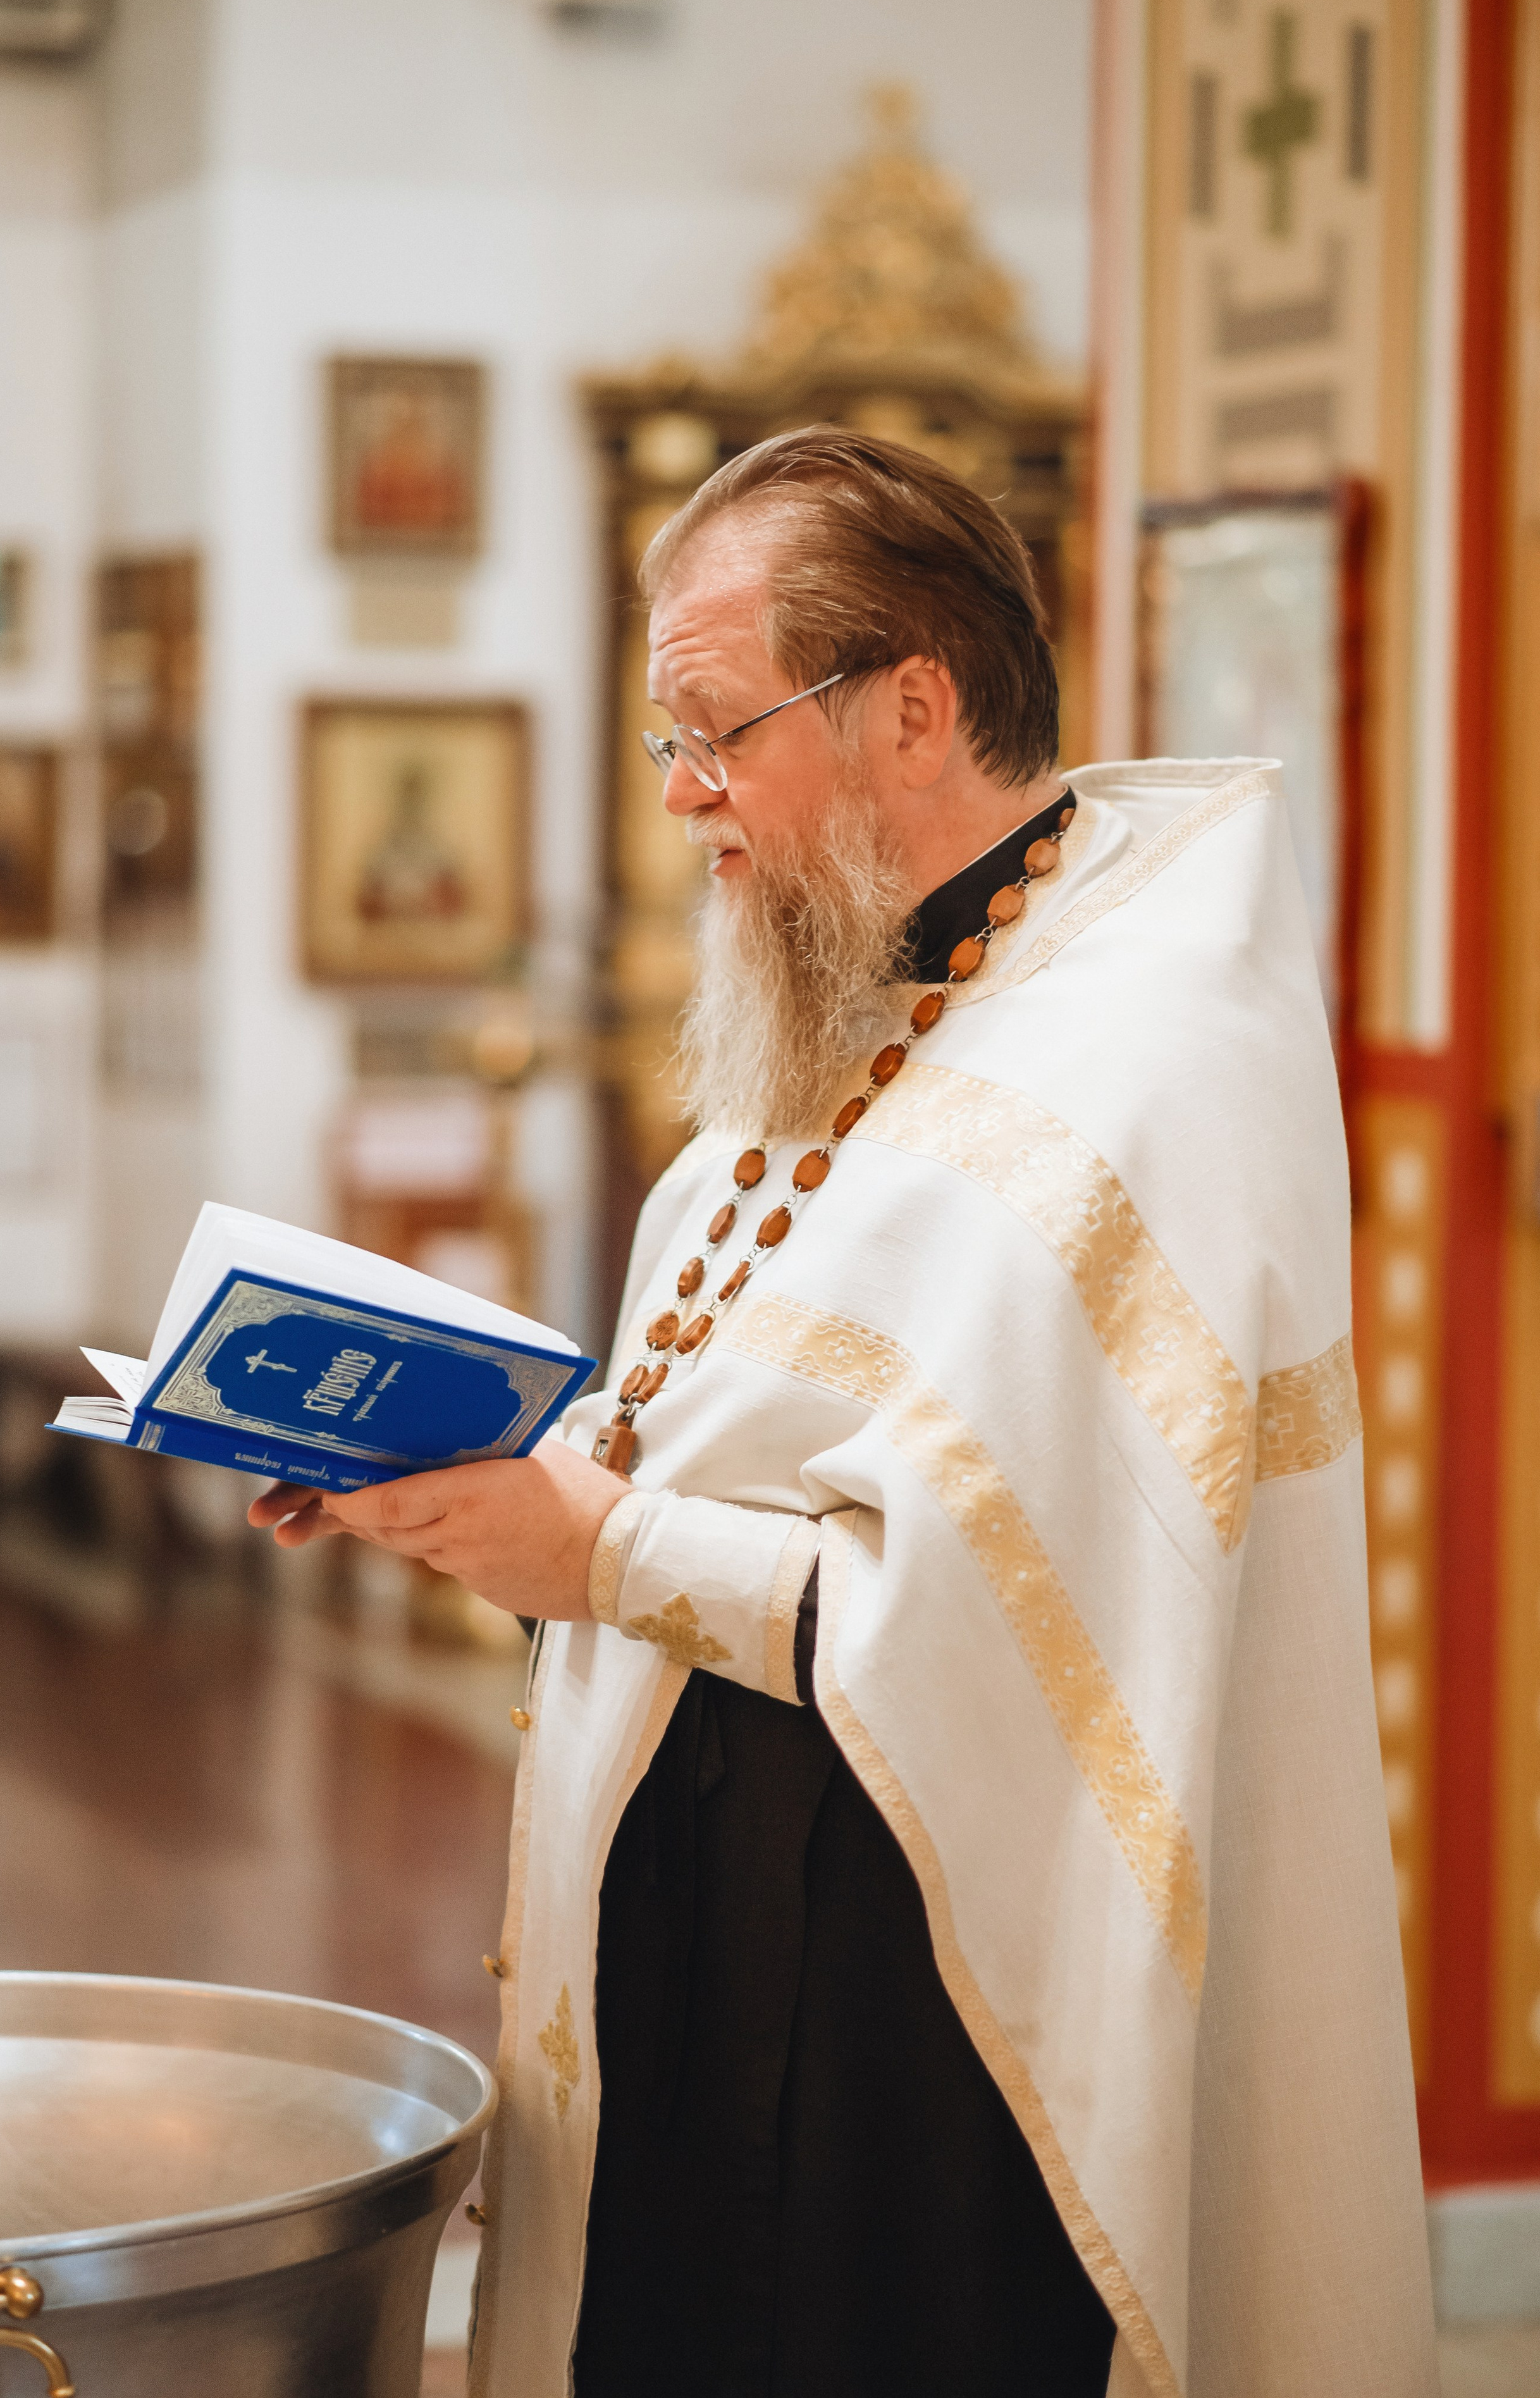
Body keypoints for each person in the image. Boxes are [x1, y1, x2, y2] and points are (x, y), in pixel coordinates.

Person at [250, 430, 1437, 2398]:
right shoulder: (835, 1008)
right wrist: (472, 1510)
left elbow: (1045, 1632)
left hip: (928, 2024)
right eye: (664, 737)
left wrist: (604, 1547)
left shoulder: (1138, 1066)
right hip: (711, 1953)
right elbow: (694, 1487)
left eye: (715, 727)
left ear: (910, 706)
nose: (681, 797)